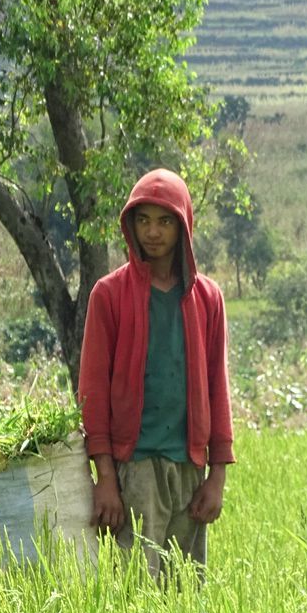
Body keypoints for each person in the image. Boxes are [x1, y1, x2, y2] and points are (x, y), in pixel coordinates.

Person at [77, 168, 234, 580]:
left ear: (183, 226)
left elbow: (218, 388)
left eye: (165, 221)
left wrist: (216, 477)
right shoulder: (109, 295)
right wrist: (106, 478)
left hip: (189, 471)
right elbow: (91, 391)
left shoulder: (207, 299)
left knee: (184, 597)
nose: (153, 232)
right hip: (135, 469)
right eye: (143, 220)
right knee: (134, 595)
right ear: (130, 225)